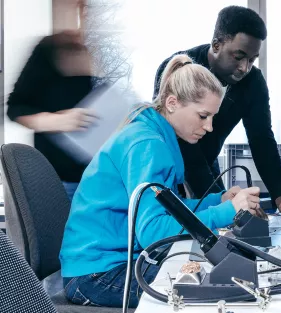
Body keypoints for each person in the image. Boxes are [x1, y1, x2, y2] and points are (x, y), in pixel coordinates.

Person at [59, 54, 263, 308]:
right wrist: (227, 211)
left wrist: (218, 200)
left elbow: (170, 208)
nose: (209, 127)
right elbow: (153, 233)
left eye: (212, 117)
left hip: (104, 265)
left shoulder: (152, 134)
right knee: (219, 293)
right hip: (95, 275)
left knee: (210, 280)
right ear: (172, 103)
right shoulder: (148, 145)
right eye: (202, 116)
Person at [154, 6, 281, 215]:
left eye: (252, 59)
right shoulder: (178, 69)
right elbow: (181, 143)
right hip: (173, 163)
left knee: (226, 222)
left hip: (207, 163)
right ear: (216, 45)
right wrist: (225, 207)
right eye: (238, 56)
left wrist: (279, 194)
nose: (244, 67)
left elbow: (262, 139)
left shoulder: (253, 83)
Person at [6, 30, 97, 201]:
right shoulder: (48, 49)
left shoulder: (91, 49)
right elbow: (14, 108)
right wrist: (56, 121)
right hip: (59, 179)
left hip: (96, 176)